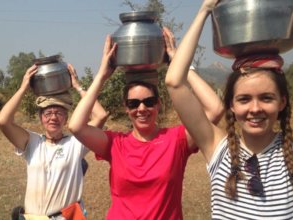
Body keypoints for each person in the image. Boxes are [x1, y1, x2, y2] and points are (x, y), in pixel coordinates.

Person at [165, 0, 293, 218]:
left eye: (267, 98)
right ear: (231, 105)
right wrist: (205, 10)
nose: (255, 108)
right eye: (244, 99)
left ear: (282, 102)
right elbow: (175, 82)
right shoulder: (219, 150)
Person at [68, 27, 224, 219]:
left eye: (149, 102)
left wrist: (178, 63)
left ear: (158, 104)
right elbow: (76, 126)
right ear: (126, 108)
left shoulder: (176, 140)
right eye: (134, 103)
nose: (141, 109)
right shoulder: (115, 143)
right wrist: (101, 75)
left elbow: (215, 109)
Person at [0, 63, 108, 219]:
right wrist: (23, 89)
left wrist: (77, 86)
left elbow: (100, 115)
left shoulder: (76, 143)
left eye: (59, 113)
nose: (53, 117)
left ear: (66, 118)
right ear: (41, 118)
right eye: (48, 113)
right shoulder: (32, 141)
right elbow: (3, 121)